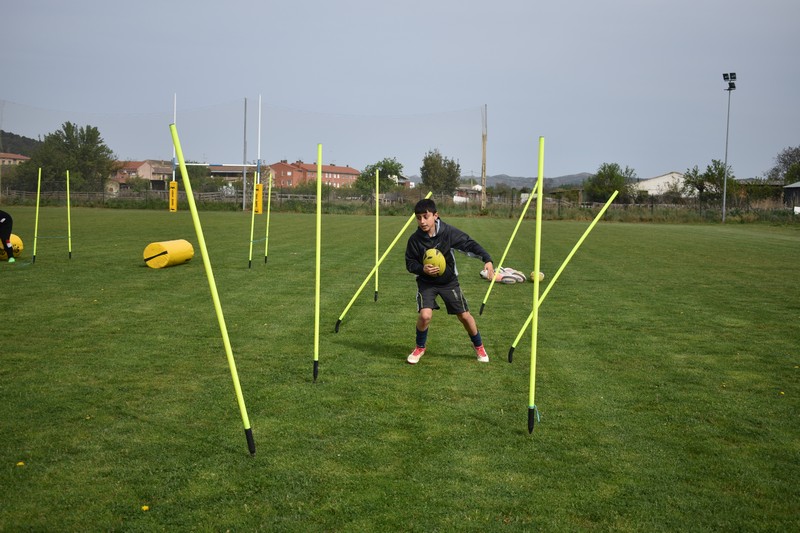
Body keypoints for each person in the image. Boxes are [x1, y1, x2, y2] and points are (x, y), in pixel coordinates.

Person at [404, 198, 494, 364]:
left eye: (426, 216)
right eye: (418, 218)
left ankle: (479, 346)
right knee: (425, 316)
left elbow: (469, 244)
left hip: (448, 282)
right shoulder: (415, 239)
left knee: (464, 316)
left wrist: (487, 259)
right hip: (426, 282)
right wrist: (421, 269)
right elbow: (410, 263)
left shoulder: (448, 232)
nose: (422, 221)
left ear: (435, 216)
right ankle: (419, 348)